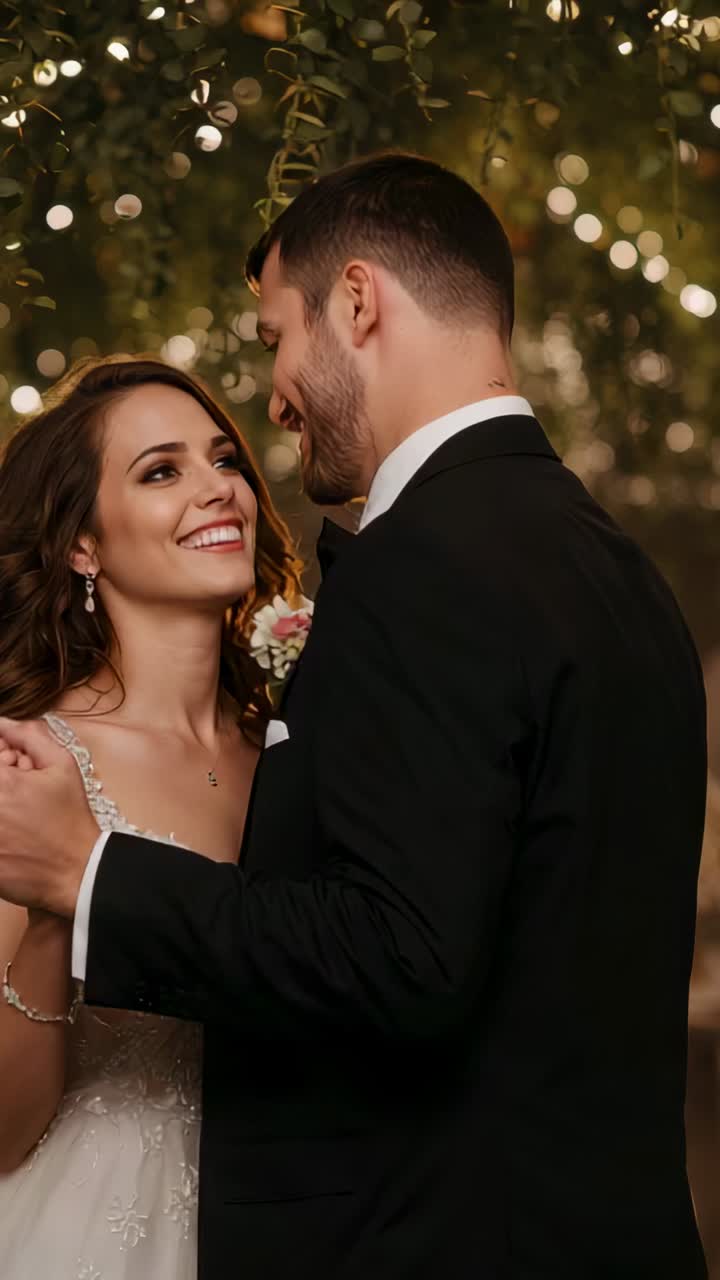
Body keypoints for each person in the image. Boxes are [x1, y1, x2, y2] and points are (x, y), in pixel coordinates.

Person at [0, 153, 708, 1279]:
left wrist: (94, 877)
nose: (274, 395)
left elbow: (404, 955)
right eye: (161, 468)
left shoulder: (423, 565)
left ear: (360, 300)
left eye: (278, 335)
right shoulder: (619, 575)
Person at [0, 354, 299, 1278]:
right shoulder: (31, 760)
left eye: (224, 461)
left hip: (289, 1226)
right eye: (161, 471)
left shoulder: (294, 759)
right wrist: (62, 898)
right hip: (90, 1235)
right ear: (83, 545)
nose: (218, 491)